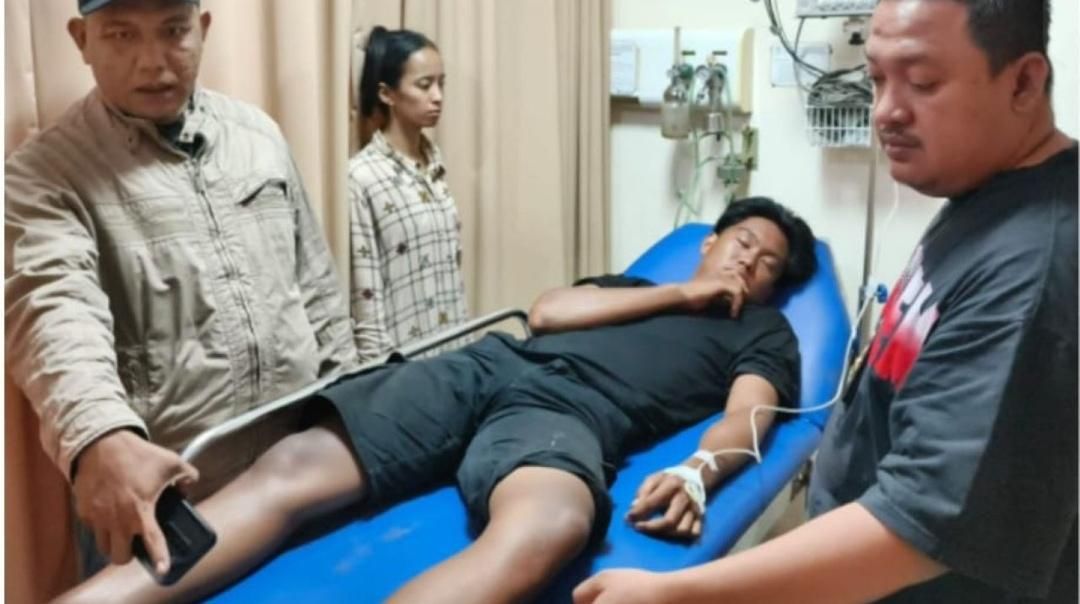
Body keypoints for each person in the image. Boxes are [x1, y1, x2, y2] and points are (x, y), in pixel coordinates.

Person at [54, 197, 818, 603]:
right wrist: (681, 293)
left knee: (550, 527)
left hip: (569, 419)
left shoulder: (763, 332)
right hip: (489, 366)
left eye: (767, 263)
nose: (749, 261)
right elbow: (548, 313)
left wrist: (698, 473)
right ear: (709, 241)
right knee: (289, 469)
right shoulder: (637, 287)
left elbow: (748, 416)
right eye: (742, 242)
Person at [574, 1, 1077, 603]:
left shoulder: (1038, 267)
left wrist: (680, 594)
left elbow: (920, 523)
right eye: (876, 78)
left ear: (1023, 82)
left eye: (921, 81)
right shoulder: (987, 195)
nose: (885, 110)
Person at [4, 0, 355, 581]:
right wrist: (98, 435)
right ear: (81, 39)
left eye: (173, 31)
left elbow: (317, 289)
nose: (153, 62)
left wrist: (358, 410)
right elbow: (50, 309)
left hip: (306, 472)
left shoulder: (259, 136)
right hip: (172, 509)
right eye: (121, 35)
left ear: (203, 29)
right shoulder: (44, 174)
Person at [349, 26, 469, 363]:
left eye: (441, 83)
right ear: (387, 94)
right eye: (424, 85)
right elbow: (366, 295)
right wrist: (379, 374)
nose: (438, 96)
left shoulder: (435, 165)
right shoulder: (362, 177)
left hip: (456, 356)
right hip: (406, 365)